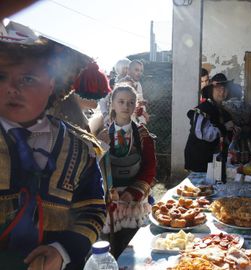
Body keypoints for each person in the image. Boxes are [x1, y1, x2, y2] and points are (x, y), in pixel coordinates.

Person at [0, 22, 106, 269]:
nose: (12, 89)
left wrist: (62, 251)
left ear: (51, 85)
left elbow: (92, 209)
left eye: (28, 78)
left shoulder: (80, 149)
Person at [100, 85, 156, 258]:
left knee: (133, 248)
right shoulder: (102, 134)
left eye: (130, 102)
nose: (126, 106)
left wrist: (132, 193)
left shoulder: (142, 134)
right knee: (111, 248)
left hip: (135, 201)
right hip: (112, 200)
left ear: (135, 106)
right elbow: (97, 167)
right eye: (121, 102)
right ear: (113, 104)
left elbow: (150, 167)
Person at [184, 73, 237, 172]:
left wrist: (233, 129)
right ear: (211, 90)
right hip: (199, 159)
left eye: (225, 89)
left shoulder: (222, 110)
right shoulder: (203, 109)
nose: (222, 92)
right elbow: (205, 135)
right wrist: (225, 127)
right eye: (218, 89)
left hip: (213, 160)